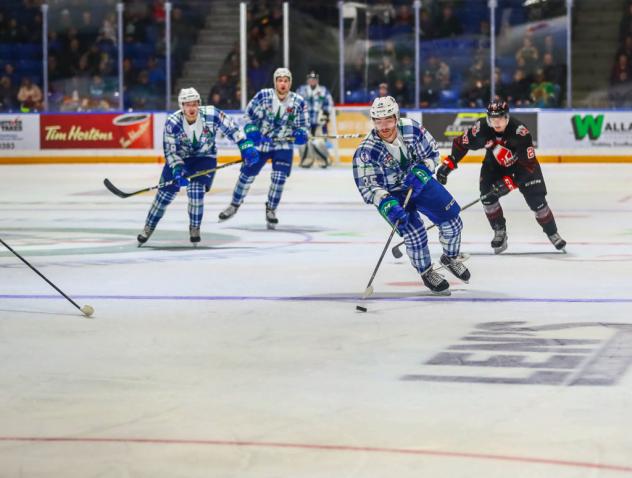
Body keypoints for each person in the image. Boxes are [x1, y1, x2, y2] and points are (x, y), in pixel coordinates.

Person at [352, 96, 470, 295]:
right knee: (415, 234)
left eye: (388, 120)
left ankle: (450, 257)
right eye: (378, 121)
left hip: (420, 183)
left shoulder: (412, 129)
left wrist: (423, 170)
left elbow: (432, 154)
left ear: (396, 117)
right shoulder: (366, 150)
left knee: (453, 222)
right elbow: (368, 186)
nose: (384, 126)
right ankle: (426, 271)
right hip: (392, 195)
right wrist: (387, 204)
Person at [437, 100, 566, 253]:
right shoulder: (482, 129)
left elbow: (529, 165)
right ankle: (499, 231)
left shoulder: (520, 132)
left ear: (507, 117)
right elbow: (461, 143)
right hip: (494, 166)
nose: (496, 122)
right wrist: (449, 163)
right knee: (487, 197)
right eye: (492, 119)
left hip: (522, 167)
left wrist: (510, 182)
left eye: (500, 118)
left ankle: (552, 233)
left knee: (537, 201)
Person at [136, 87, 258, 246]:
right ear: (181, 106)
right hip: (180, 159)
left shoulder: (211, 114)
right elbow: (170, 152)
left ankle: (195, 227)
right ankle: (148, 227)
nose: (191, 108)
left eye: (194, 104)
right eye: (187, 104)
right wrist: (178, 169)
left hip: (204, 159)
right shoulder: (172, 122)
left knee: (195, 192)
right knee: (163, 197)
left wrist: (245, 145)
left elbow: (232, 128)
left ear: (199, 104)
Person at [218, 67, 309, 229]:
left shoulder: (298, 102)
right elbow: (247, 117)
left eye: (286, 80)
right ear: (275, 82)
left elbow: (303, 125)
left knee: (279, 178)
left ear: (290, 83)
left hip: (283, 145)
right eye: (280, 80)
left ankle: (271, 209)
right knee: (246, 175)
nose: (283, 84)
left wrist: (301, 132)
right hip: (261, 144)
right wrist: (251, 129)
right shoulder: (263, 96)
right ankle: (234, 204)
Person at [295, 70, 334, 168]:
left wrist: (325, 115)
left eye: (314, 79)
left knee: (319, 142)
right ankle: (306, 161)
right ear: (307, 80)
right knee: (304, 142)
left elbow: (329, 103)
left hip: (319, 123)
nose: (312, 81)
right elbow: (295, 103)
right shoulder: (301, 90)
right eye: (310, 79)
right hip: (305, 122)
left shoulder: (323, 90)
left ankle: (324, 161)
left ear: (317, 80)